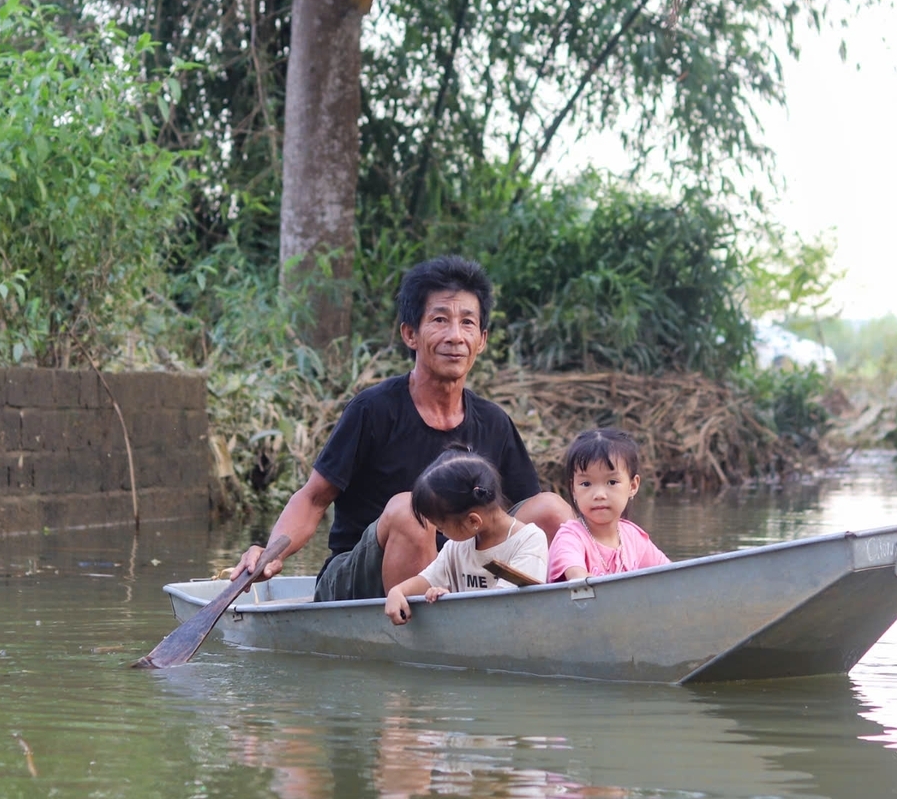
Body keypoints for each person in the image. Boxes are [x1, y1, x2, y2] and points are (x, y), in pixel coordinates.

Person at [235, 255, 574, 601]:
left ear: (482, 339)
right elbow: (312, 499)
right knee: (408, 511)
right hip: (360, 578)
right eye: (440, 320)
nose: (455, 336)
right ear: (410, 334)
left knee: (551, 509)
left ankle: (558, 618)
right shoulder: (372, 410)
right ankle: (418, 637)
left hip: (454, 578)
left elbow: (523, 517)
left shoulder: (494, 422)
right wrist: (269, 554)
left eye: (467, 323)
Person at [383, 451, 549, 625]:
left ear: (473, 521)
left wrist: (454, 602)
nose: (440, 532)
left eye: (441, 526)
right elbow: (426, 580)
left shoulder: (528, 540)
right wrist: (398, 591)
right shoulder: (456, 547)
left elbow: (503, 605)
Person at [547, 429, 670, 582]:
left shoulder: (633, 537)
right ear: (573, 489)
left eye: (612, 482)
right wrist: (580, 576)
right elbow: (576, 576)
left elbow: (671, 576)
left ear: (633, 486)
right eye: (586, 484)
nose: (599, 495)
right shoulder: (570, 537)